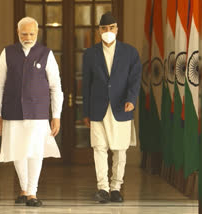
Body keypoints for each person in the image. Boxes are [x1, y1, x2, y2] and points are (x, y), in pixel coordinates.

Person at [0, 16, 63, 207]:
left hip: (38, 112)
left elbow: (56, 87)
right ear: (18, 33)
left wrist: (56, 115)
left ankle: (32, 192)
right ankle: (24, 188)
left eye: (32, 33)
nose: (28, 37)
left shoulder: (46, 54)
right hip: (12, 110)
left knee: (35, 151)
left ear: (37, 33)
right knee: (18, 150)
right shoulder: (7, 53)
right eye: (24, 34)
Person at [82, 12, 142, 203]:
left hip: (121, 107)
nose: (108, 32)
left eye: (111, 28)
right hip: (97, 108)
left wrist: (131, 99)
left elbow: (135, 80)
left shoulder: (130, 53)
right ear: (99, 30)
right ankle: (103, 189)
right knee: (98, 148)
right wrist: (85, 112)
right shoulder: (90, 54)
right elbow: (86, 84)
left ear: (117, 29)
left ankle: (116, 187)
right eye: (104, 29)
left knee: (120, 149)